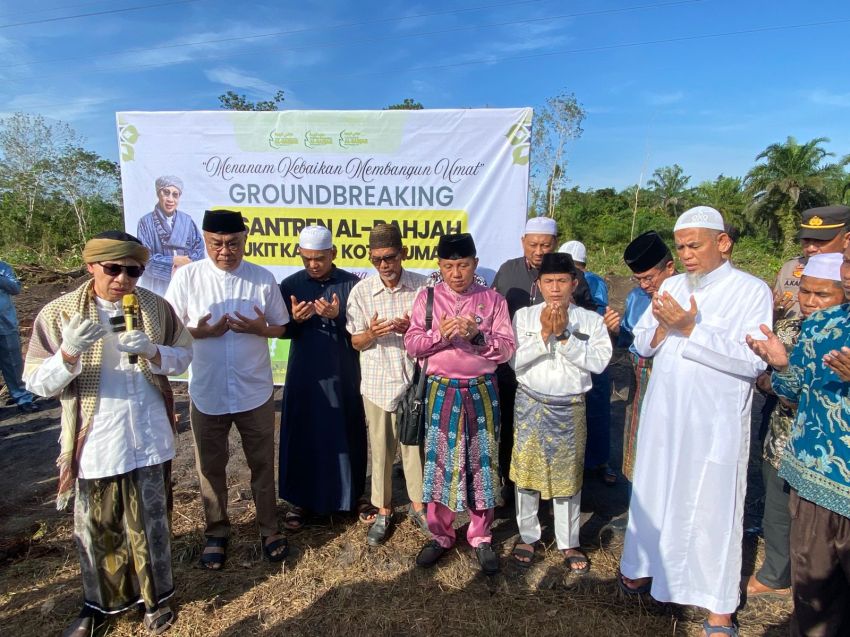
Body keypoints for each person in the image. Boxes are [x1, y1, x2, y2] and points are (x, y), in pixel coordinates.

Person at [24, 231, 192, 636]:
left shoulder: (155, 307)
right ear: (91, 266)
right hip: (97, 438)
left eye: (132, 271)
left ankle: (156, 600)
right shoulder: (60, 314)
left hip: (150, 435)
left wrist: (154, 352)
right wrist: (68, 353)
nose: (122, 279)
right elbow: (35, 382)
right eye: (113, 269)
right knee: (100, 528)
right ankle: (99, 604)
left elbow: (184, 356)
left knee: (152, 524)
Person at [618, 206, 772, 637]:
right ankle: (643, 568)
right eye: (681, 246)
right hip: (665, 413)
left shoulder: (750, 290)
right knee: (656, 490)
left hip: (714, 421)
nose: (685, 254)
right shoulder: (672, 285)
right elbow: (643, 346)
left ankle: (718, 606)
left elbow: (751, 359)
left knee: (712, 506)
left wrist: (690, 328)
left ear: (723, 243)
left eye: (694, 245)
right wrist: (666, 329)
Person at [165, 209, 289, 569]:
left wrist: (259, 328)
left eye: (233, 243)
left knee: (263, 464)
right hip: (207, 390)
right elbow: (170, 331)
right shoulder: (187, 278)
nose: (225, 251)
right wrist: (199, 333)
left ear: (244, 240)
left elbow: (281, 327)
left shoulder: (262, 279)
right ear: (205, 240)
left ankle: (269, 528)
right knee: (210, 466)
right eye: (217, 243)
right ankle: (216, 530)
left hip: (255, 390)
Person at [747, 240, 850, 637]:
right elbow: (792, 391)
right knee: (813, 594)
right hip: (813, 480)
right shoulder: (824, 325)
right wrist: (782, 364)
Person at [405, 233, 515, 575]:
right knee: (440, 463)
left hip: (481, 390)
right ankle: (441, 534)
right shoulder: (427, 298)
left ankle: (480, 535)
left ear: (475, 264)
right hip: (440, 391)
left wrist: (476, 336)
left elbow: (508, 349)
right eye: (449, 266)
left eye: (463, 265)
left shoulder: (493, 300)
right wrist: (441, 334)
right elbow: (412, 344)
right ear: (439, 266)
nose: (456, 273)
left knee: (482, 462)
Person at [509, 252, 612, 572]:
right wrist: (543, 335)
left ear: (574, 283)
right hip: (530, 402)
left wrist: (564, 335)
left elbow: (598, 363)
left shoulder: (591, 321)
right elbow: (513, 362)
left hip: (569, 407)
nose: (555, 288)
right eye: (549, 281)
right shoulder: (524, 317)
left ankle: (568, 541)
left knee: (568, 476)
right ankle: (528, 535)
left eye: (562, 281)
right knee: (525, 474)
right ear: (538, 285)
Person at [491, 217, 597, 504]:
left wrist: (565, 315)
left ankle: (554, 497)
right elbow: (495, 312)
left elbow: (589, 315)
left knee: (559, 443)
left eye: (545, 245)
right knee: (515, 434)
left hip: (560, 370)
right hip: (517, 370)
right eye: (533, 244)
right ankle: (511, 487)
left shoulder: (571, 273)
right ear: (523, 242)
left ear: (555, 243)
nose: (539, 250)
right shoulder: (508, 271)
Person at [278, 225, 368, 528]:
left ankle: (351, 496)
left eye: (319, 259)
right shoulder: (290, 284)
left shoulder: (351, 284)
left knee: (346, 431)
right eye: (307, 259)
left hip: (343, 372)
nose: (313, 265)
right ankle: (300, 501)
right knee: (304, 432)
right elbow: (283, 331)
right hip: (305, 374)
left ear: (333, 254)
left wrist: (337, 317)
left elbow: (361, 330)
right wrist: (294, 321)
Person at [346, 224, 428, 546]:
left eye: (390, 258)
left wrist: (412, 329)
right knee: (380, 451)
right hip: (378, 385)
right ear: (370, 259)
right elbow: (355, 341)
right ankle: (384, 510)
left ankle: (420, 507)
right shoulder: (361, 293)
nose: (384, 265)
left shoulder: (423, 288)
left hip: (413, 383)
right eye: (377, 259)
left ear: (403, 254)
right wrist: (372, 334)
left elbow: (431, 337)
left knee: (415, 449)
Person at [602, 231, 676, 483]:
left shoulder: (688, 295)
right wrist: (615, 330)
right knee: (637, 434)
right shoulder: (636, 297)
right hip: (640, 375)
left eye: (648, 278)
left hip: (673, 377)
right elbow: (629, 337)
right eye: (638, 279)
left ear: (670, 267)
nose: (644, 285)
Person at [559, 239, 615, 485]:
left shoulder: (593, 281)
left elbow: (599, 315)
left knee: (596, 411)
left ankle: (598, 462)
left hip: (588, 347)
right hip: (566, 352)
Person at [773, 205, 850, 321]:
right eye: (806, 240)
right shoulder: (790, 268)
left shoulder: (846, 273)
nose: (811, 248)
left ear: (846, 239)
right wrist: (774, 312)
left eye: (821, 241)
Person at [137, 175, 204, 297]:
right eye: (166, 193)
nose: (170, 199)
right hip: (157, 287)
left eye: (175, 194)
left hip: (186, 284)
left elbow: (199, 252)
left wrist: (188, 264)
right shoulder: (145, 222)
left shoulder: (187, 221)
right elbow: (145, 260)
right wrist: (174, 261)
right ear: (158, 194)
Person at [0, 259, 39, 413]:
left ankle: (23, 398)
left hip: (5, 324)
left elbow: (15, 288)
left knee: (13, 363)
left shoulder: (3, 268)